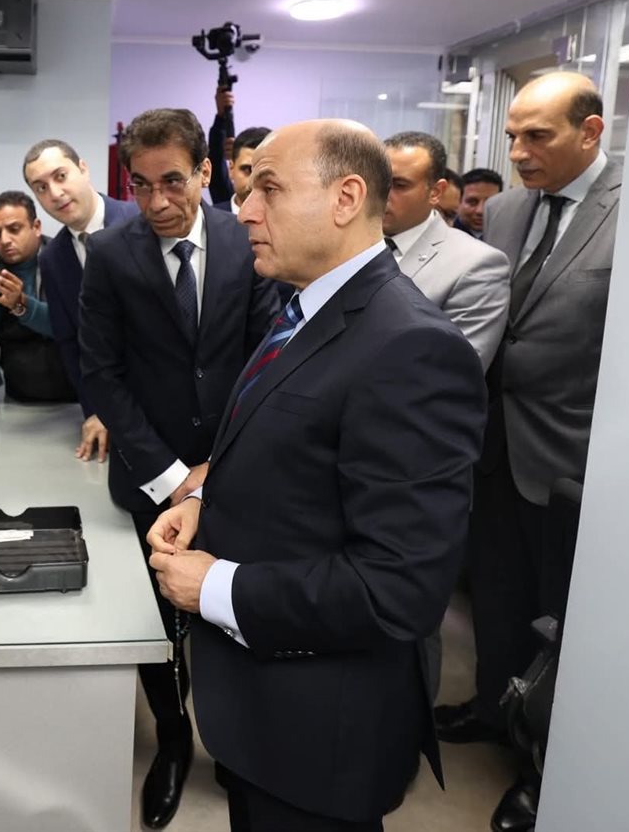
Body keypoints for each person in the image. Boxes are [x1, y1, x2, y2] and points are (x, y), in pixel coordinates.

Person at [146, 119, 486, 832]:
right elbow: (288, 448)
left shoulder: (411, 348)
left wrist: (214, 587)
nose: (244, 211)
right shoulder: (305, 305)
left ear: (346, 197)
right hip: (264, 711)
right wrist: (205, 497)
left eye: (268, 189)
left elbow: (398, 589)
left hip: (319, 732)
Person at [432, 73, 622, 832]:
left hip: (573, 454)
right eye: (512, 135)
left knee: (561, 620)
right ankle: (492, 709)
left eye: (537, 136)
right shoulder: (508, 209)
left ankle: (546, 768)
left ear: (590, 131)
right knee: (498, 597)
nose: (517, 152)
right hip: (493, 445)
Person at [81, 109, 281, 829]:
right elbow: (102, 375)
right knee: (159, 621)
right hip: (149, 473)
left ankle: (230, 740)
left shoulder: (246, 238)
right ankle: (172, 739)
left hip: (237, 468)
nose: (157, 201)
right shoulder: (110, 253)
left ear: (205, 171)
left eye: (173, 181)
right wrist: (174, 478)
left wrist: (217, 468)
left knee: (228, 611)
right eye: (140, 185)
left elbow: (268, 358)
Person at [24, 138, 141, 458]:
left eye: (60, 176)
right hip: (112, 427)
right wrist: (97, 410)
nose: (55, 193)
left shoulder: (140, 220)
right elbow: (72, 344)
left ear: (84, 169)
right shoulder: (53, 258)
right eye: (41, 188)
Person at [383, 132, 511, 369]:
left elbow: (454, 371)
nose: (382, 195)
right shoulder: (345, 245)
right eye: (378, 182)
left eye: (399, 185)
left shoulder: (477, 264)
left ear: (435, 192)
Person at [0, 190, 75, 403]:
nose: (4, 240)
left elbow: (70, 327)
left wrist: (21, 305)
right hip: (20, 398)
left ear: (36, 227)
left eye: (14, 229)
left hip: (78, 395)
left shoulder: (66, 260)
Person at [217, 126, 272, 213]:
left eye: (264, 173)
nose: (253, 183)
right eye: (247, 170)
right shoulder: (207, 218)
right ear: (231, 169)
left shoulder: (289, 219)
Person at [456, 167, 505, 239]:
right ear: (458, 201)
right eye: (472, 202)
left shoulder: (508, 237)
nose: (480, 211)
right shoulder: (445, 236)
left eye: (490, 203)